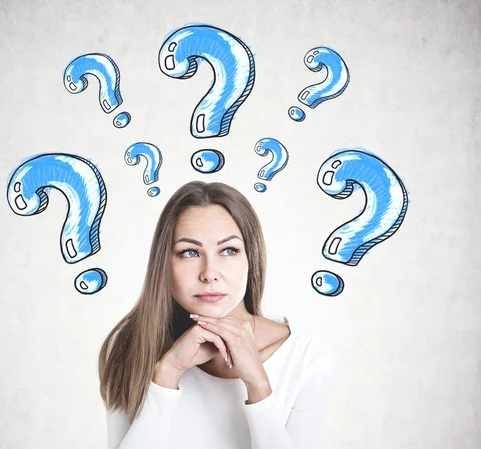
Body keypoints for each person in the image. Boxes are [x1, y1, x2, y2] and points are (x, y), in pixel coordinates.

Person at [98, 180, 333, 449]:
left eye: (228, 251)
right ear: (164, 263)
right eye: (189, 252)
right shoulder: (131, 345)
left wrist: (258, 386)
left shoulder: (305, 359)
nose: (209, 273)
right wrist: (166, 375)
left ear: (250, 258)